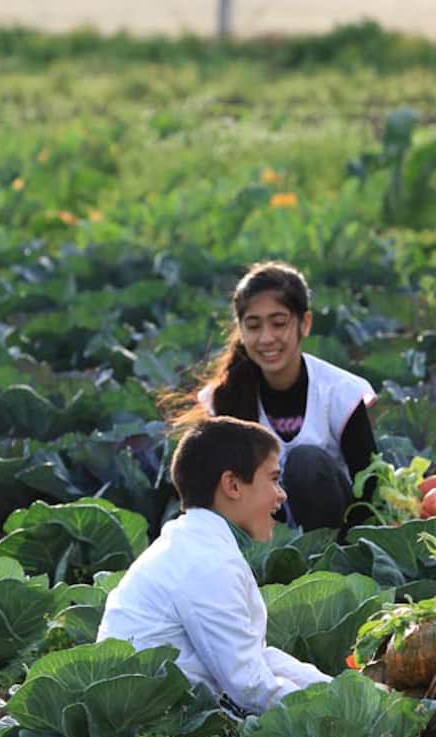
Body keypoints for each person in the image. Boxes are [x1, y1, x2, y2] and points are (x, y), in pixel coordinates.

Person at [97, 416, 331, 713]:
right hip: (157, 725)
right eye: (273, 479)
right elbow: (249, 686)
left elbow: (256, 657)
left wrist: (336, 688)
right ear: (233, 485)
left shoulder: (195, 543)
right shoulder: (206, 563)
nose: (281, 494)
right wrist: (337, 710)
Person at [176, 260, 378, 532]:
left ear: (304, 324)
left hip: (336, 533)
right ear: (241, 329)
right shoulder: (223, 398)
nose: (267, 338)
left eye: (279, 323)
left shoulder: (341, 392)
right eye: (254, 326)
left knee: (306, 462)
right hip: (260, 538)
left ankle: (322, 563)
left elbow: (370, 489)